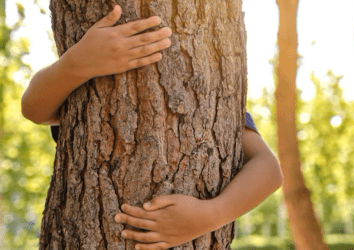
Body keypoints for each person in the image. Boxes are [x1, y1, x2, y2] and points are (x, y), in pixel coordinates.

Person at [21, 5, 282, 250]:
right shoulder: (87, 83)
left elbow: (269, 169)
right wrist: (77, 63)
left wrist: (211, 215)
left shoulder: (211, 98)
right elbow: (33, 108)